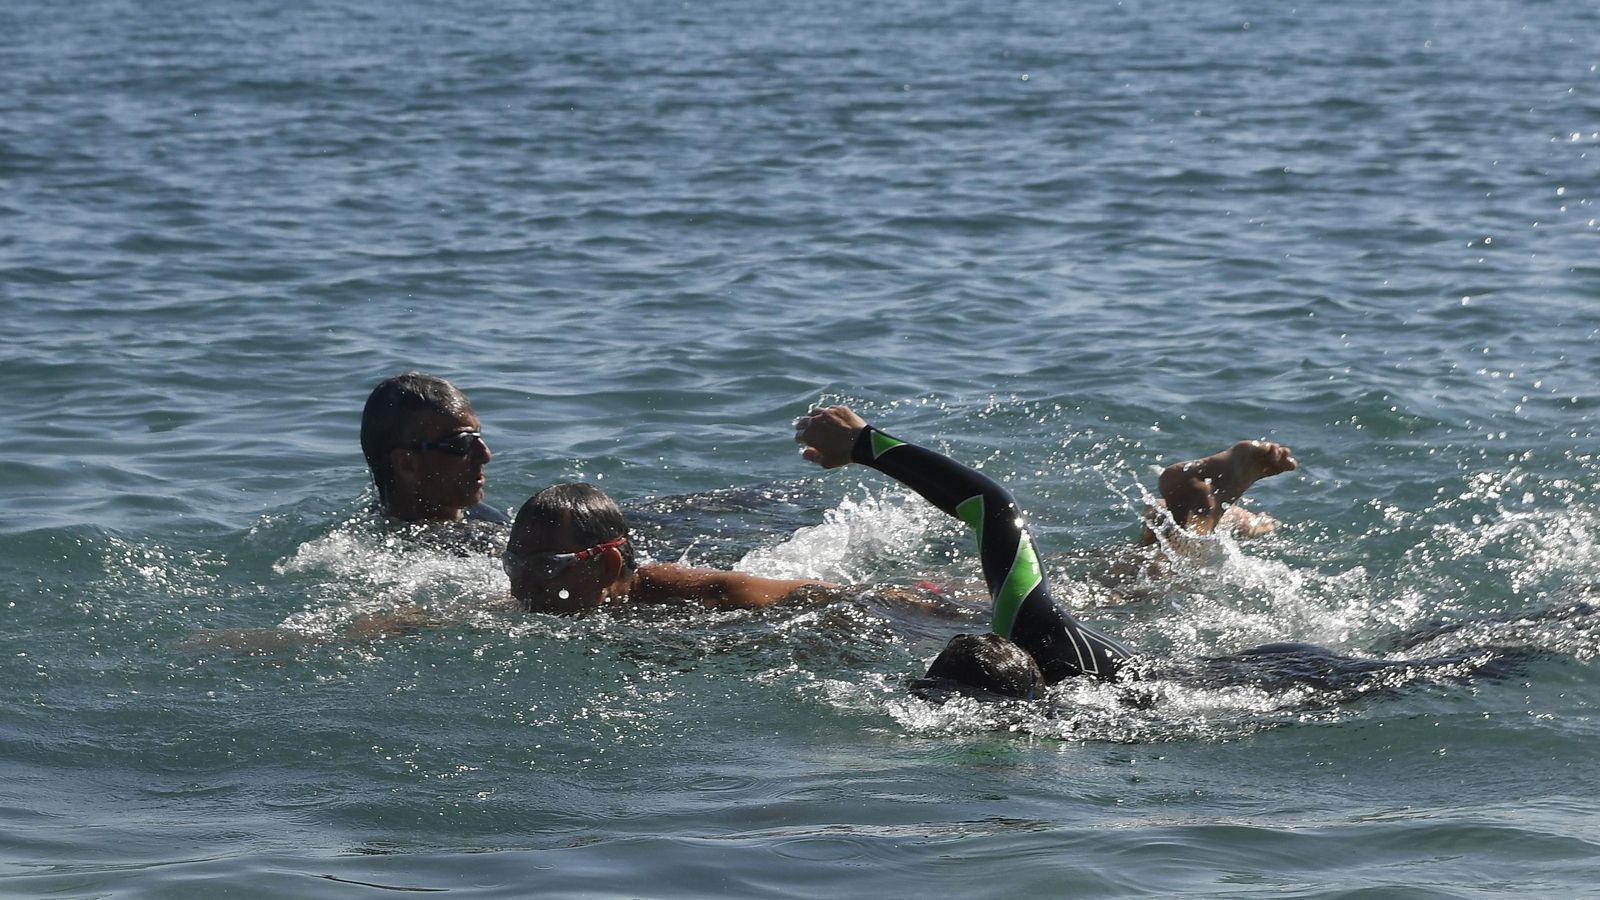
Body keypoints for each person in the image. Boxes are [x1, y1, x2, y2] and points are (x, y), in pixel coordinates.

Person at [503, 482, 833, 614]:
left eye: (545, 567)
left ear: (606, 567)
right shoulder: (529, 602)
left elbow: (833, 597)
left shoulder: (705, 597)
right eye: (512, 564)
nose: (521, 584)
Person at [360, 372, 509, 525]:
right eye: (462, 443)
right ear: (406, 463)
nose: (485, 455)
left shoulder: (505, 526)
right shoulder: (356, 545)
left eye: (478, 435)